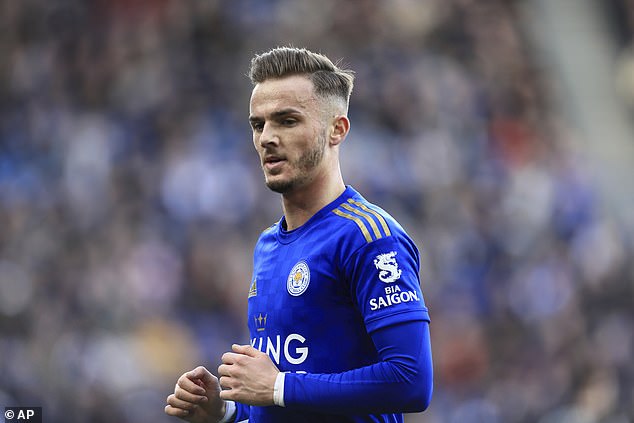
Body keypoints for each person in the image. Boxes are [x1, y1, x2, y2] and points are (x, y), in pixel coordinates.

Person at [164, 46, 433, 423]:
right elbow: (285, 393)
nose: (267, 138)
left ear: (337, 129)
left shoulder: (368, 237)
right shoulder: (267, 245)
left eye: (287, 121)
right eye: (258, 125)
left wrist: (278, 386)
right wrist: (226, 411)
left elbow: (411, 380)